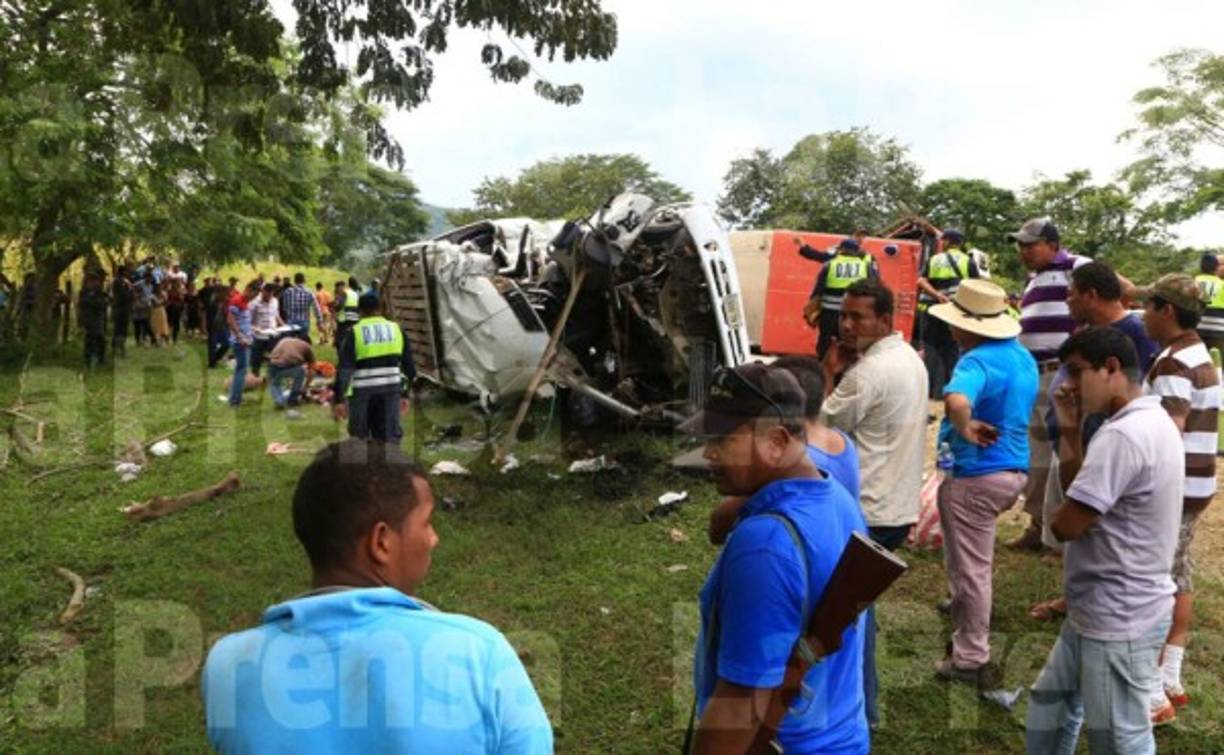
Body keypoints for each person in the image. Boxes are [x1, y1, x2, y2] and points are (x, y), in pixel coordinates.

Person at [202, 439, 553, 753]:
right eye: (427, 522)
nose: (434, 539)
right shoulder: (478, 652)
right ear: (381, 542)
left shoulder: (227, 665)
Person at [681, 363, 869, 754]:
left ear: (778, 441)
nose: (708, 453)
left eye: (722, 439)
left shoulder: (764, 545)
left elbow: (740, 708)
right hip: (843, 736)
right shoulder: (836, 495)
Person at [1025, 327, 1181, 755]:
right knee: (1051, 706)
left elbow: (1067, 524)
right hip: (1102, 607)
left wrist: (1054, 514)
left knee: (1119, 737)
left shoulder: (1124, 436)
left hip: (1119, 615)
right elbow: (1087, 497)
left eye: (1076, 373)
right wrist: (1071, 433)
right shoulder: (1148, 420)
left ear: (1111, 368)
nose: (1068, 386)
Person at [818, 277, 926, 728]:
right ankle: (859, 703)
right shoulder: (908, 359)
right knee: (857, 607)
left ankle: (859, 706)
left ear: (885, 320)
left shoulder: (868, 373)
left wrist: (828, 372)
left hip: (869, 509)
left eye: (857, 316)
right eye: (843, 314)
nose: (846, 324)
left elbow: (818, 427)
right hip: (895, 506)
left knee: (839, 614)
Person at [926, 280, 1038, 684]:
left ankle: (970, 658)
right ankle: (960, 602)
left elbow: (957, 400)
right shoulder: (1021, 357)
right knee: (972, 558)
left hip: (976, 474)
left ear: (967, 325)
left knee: (972, 566)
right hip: (1013, 470)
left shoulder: (973, 362)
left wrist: (966, 425)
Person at [1136, 274, 1219, 725]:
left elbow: (1170, 430)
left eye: (1148, 306)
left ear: (1165, 310)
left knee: (1154, 582)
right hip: (1200, 482)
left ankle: (1151, 695)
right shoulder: (1200, 354)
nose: (1143, 315)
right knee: (1178, 572)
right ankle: (1170, 675)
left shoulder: (1171, 363)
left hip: (1174, 487)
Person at [1007, 218, 1091, 552]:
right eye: (1021, 245)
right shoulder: (1033, 279)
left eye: (1031, 244)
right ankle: (1039, 525)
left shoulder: (1076, 265)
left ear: (1053, 246)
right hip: (1035, 372)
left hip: (1063, 373)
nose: (1023, 251)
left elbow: (1116, 290)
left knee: (1064, 452)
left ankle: (1062, 535)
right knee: (1038, 453)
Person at [333, 292, 416, 442]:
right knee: (389, 436)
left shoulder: (354, 332)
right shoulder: (397, 329)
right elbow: (409, 368)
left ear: (360, 311)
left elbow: (345, 370)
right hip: (390, 390)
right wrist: (404, 394)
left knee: (360, 438)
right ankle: (391, 464)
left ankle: (362, 465)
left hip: (362, 392)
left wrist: (339, 399)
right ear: (381, 308)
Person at [917, 229, 981, 398]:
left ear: (946, 241)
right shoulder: (968, 261)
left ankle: (929, 391)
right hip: (955, 313)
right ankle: (948, 391)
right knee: (952, 351)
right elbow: (976, 286)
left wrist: (937, 295)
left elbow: (921, 280)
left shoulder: (935, 259)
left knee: (930, 349)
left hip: (931, 311)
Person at [805, 238, 878, 360]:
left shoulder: (830, 264)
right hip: (855, 315)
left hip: (830, 314)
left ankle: (826, 371)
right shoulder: (865, 266)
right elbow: (875, 288)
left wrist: (812, 309)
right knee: (852, 343)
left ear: (841, 250)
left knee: (826, 343)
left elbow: (818, 291)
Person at [225, 282, 257, 407]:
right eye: (253, 294)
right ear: (248, 289)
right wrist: (240, 336)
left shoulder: (245, 302)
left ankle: (234, 397)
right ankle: (235, 400)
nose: (253, 298)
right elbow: (230, 320)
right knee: (241, 370)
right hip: (240, 341)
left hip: (245, 339)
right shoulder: (237, 300)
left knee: (241, 370)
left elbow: (242, 320)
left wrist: (253, 329)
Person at [266, 336, 315, 409]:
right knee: (301, 371)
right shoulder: (307, 347)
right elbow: (312, 371)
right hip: (286, 365)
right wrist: (305, 387)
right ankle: (293, 400)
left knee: (275, 383)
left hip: (272, 365)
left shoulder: (286, 339)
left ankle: (279, 401)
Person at [249, 283, 285, 377]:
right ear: (263, 292)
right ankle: (255, 377)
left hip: (272, 335)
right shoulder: (254, 303)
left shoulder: (275, 301)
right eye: (268, 294)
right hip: (259, 336)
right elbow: (247, 320)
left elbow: (276, 315)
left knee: (274, 357)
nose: (270, 297)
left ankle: (272, 376)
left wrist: (284, 326)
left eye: (272, 294)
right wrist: (255, 328)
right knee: (256, 360)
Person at [280, 272, 324, 343]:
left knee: (290, 342)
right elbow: (316, 308)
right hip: (304, 321)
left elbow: (285, 307)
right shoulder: (309, 292)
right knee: (302, 342)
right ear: (304, 280)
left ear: (294, 280)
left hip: (291, 320)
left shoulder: (287, 292)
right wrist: (320, 322)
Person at [1193, 252, 1224, 354]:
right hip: (1218, 329)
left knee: (1199, 359)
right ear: (1216, 268)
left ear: (1201, 267)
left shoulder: (1196, 281)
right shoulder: (1221, 284)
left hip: (1198, 326)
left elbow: (1204, 300)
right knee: (1216, 359)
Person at [78, 271, 110, 369]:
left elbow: (104, 304)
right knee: (90, 339)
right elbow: (83, 303)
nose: (94, 283)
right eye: (92, 281)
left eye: (96, 281)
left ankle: (101, 359)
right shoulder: (83, 293)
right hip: (88, 319)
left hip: (98, 318)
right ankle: (88, 360)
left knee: (100, 338)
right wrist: (94, 303)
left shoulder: (100, 293)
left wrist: (95, 303)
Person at [111, 266, 134, 357]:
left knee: (121, 330)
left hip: (124, 308)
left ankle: (119, 349)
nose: (128, 273)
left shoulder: (124, 281)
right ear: (123, 272)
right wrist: (131, 291)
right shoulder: (118, 282)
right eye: (126, 272)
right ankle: (119, 349)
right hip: (120, 308)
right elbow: (124, 295)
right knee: (119, 330)